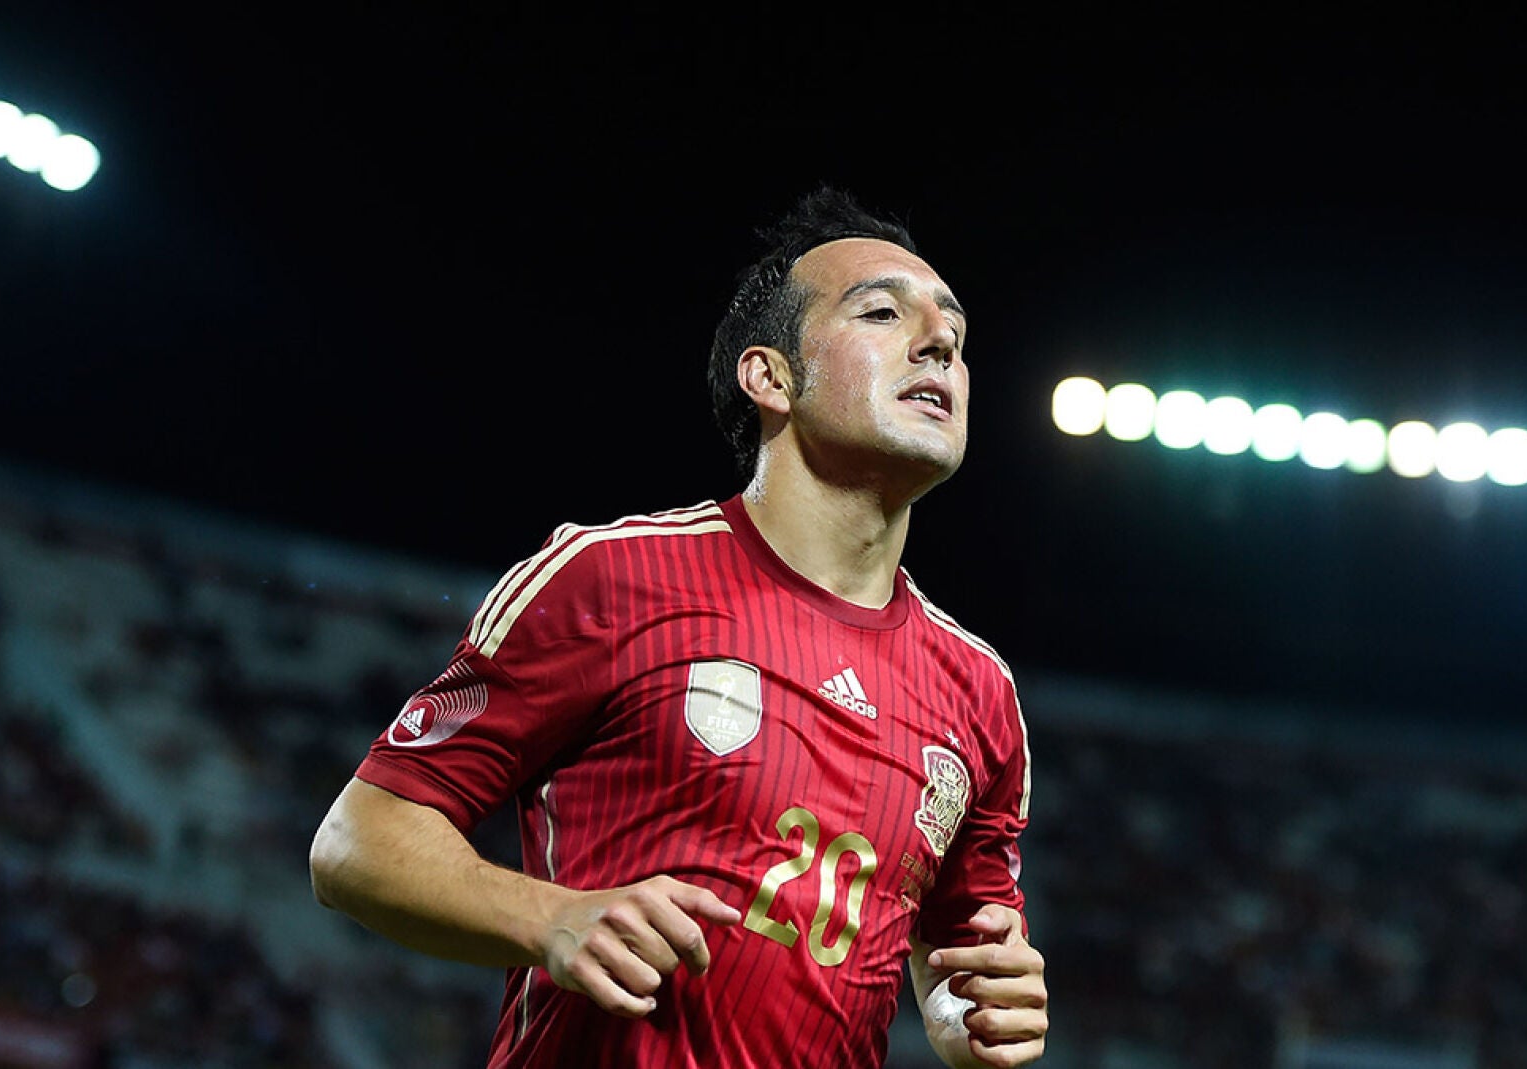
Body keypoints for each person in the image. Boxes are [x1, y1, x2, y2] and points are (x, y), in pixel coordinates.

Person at [309, 187, 1048, 1067]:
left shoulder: (979, 691)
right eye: (883, 312)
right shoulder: (612, 579)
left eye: (954, 333)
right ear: (769, 376)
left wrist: (975, 1023)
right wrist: (552, 919)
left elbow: (963, 973)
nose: (941, 342)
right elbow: (359, 843)